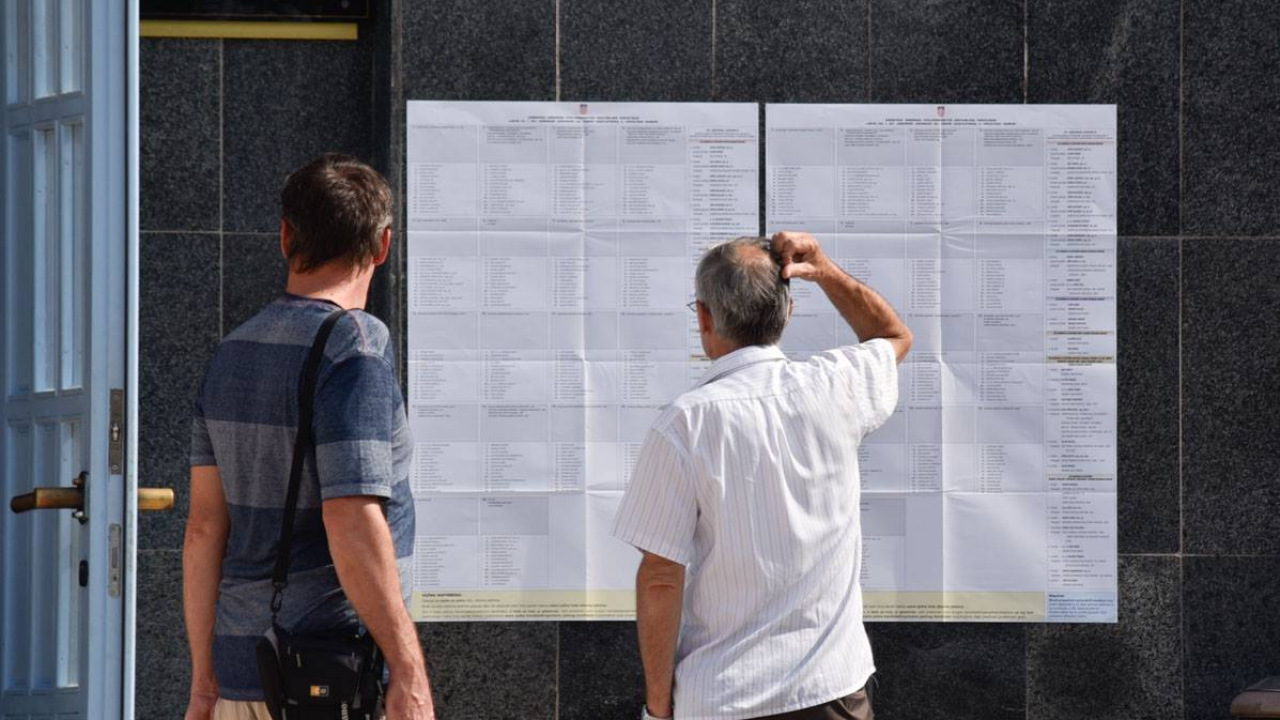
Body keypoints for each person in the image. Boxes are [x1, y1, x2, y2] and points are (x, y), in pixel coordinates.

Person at [613, 232, 912, 720]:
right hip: (831, 690)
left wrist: (658, 708)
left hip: (725, 698)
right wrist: (826, 270)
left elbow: (662, 579)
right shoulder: (836, 384)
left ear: (704, 317)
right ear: (788, 312)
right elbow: (893, 336)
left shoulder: (684, 425)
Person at [182, 154, 434, 720]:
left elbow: (203, 530)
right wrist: (409, 670)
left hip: (240, 677)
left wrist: (204, 680)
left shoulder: (232, 353)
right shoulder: (355, 347)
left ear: (286, 236)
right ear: (383, 245)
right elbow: (350, 516)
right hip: (326, 677)